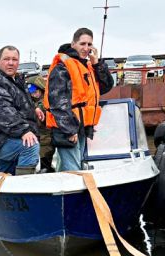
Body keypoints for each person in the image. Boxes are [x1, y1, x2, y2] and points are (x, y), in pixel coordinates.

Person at [44, 27, 114, 171]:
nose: (86, 48)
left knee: (72, 168)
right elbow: (58, 102)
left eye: (89, 44)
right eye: (82, 44)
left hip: (82, 127)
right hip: (67, 129)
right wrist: (69, 130)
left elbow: (106, 86)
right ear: (73, 44)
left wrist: (97, 64)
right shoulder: (62, 67)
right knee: (74, 170)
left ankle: (65, 191)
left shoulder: (88, 66)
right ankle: (73, 193)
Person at [0, 45, 40, 175]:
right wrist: (24, 131)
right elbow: (4, 112)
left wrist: (34, 109)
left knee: (6, 174)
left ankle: (3, 190)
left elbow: (18, 102)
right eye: (7, 59)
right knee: (30, 146)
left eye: (14, 59)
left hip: (11, 136)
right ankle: (24, 188)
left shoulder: (16, 80)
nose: (11, 63)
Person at [26, 75, 54, 173]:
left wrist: (36, 108)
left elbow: (42, 107)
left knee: (45, 157)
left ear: (41, 89)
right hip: (38, 136)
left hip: (47, 136)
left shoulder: (46, 100)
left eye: (35, 92)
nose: (34, 95)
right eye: (32, 93)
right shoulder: (32, 102)